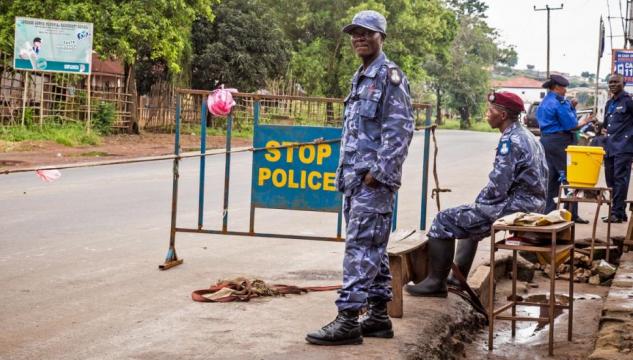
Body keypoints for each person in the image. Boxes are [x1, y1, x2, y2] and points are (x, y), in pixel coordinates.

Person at [305, 10, 414, 346]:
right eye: (354, 33)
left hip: (373, 182)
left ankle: (349, 319)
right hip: (355, 180)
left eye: (367, 33)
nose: (359, 39)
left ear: (381, 36)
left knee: (359, 249)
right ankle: (379, 317)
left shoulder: (389, 76)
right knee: (373, 248)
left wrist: (378, 174)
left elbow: (400, 131)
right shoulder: (361, 75)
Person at [405, 92, 548, 297]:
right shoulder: (526, 135)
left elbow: (499, 185)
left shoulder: (511, 141)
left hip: (518, 207)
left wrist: (480, 203)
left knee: (443, 220)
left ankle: (436, 283)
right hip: (532, 204)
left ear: (503, 115)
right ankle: (456, 279)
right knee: (468, 218)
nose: (486, 114)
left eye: (491, 111)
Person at [537, 74, 592, 224]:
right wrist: (584, 121)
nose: (566, 91)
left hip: (546, 141)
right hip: (560, 142)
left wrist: (571, 107)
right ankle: (571, 214)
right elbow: (571, 125)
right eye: (564, 88)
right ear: (556, 88)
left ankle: (549, 213)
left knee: (552, 179)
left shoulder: (545, 102)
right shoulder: (558, 103)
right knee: (570, 177)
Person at [602, 73, 633, 223]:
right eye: (610, 82)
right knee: (610, 180)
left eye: (616, 82)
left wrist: (629, 137)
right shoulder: (609, 103)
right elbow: (606, 125)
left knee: (620, 179)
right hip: (609, 147)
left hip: (623, 147)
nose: (612, 84)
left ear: (623, 83)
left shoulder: (629, 101)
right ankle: (619, 211)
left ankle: (616, 212)